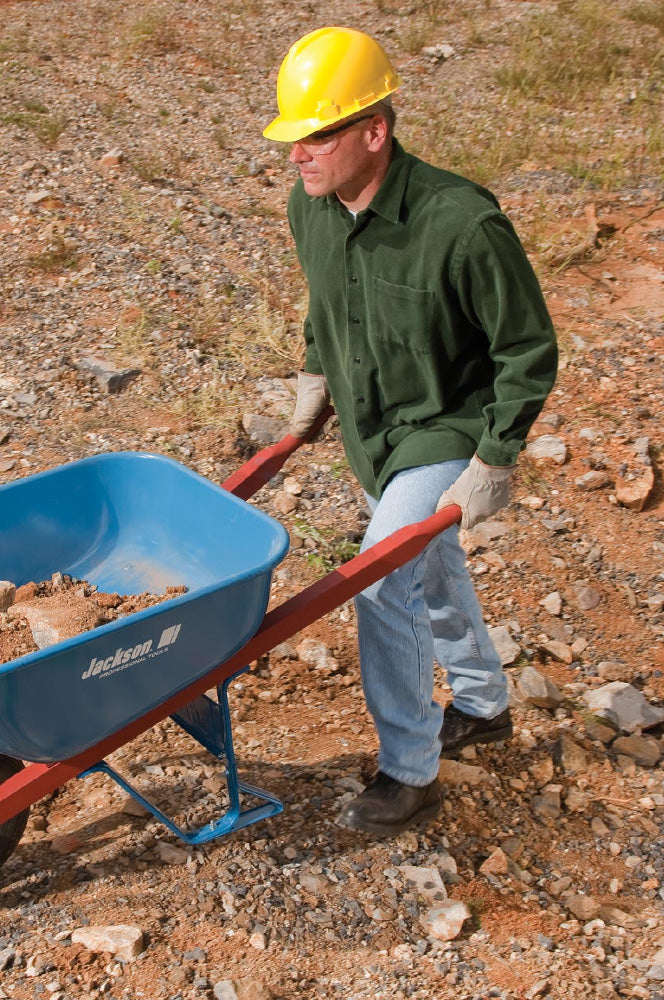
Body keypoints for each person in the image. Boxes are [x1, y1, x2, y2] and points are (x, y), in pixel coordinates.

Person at [263, 27, 558, 836]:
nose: (300, 155)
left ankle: (410, 770)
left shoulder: (462, 224)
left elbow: (527, 347)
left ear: (374, 131)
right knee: (431, 566)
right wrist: (314, 380)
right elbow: (326, 305)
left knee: (383, 576)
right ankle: (486, 702)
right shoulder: (311, 206)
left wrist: (496, 456)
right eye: (292, 137)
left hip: (445, 426)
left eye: (317, 135)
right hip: (372, 433)